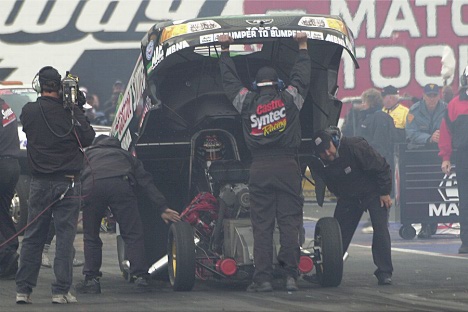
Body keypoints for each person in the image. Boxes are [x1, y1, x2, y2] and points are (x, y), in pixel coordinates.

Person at [219, 32, 310, 292]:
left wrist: (225, 52)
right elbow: (302, 78)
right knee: (290, 222)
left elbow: (229, 83)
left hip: (259, 168)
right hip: (287, 167)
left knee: (262, 226)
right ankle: (291, 276)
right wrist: (302, 46)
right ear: (278, 83)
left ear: (256, 86)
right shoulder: (290, 99)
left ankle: (263, 279)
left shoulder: (246, 102)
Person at [15, 66, 95, 304]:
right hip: (68, 183)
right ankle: (60, 291)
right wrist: (76, 107)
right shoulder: (69, 112)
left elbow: (33, 128)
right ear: (59, 87)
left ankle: (23, 290)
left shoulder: (28, 111)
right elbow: (88, 137)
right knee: (64, 237)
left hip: (39, 183)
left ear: (39, 85)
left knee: (32, 237)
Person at [75, 135, 180, 294]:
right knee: (133, 234)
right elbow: (146, 182)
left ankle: (91, 280)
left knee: (91, 235)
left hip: (93, 186)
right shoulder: (125, 155)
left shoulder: (87, 154)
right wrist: (162, 208)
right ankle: (141, 278)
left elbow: (75, 178)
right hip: (120, 186)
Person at [309, 127, 393, 286]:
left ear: (334, 142)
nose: (327, 154)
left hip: (373, 192)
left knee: (380, 229)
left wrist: (384, 192)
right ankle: (326, 271)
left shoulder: (355, 146)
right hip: (349, 197)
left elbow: (382, 167)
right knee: (336, 234)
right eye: (322, 152)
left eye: (328, 149)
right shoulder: (319, 163)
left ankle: (384, 272)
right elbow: (329, 182)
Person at [406, 83, 447, 238]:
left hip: (440, 155)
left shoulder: (447, 109)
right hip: (420, 156)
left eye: (434, 95)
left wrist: (441, 137)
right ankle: (425, 224)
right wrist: (429, 138)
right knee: (421, 191)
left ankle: (433, 222)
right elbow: (410, 133)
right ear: (423, 95)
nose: (432, 99)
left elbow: (454, 129)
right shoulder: (414, 111)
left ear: (439, 95)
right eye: (429, 95)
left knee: (437, 190)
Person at [355, 88, 396, 234]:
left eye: (364, 101)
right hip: (371, 163)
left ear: (370, 102)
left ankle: (380, 221)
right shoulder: (367, 118)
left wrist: (374, 163)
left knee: (381, 191)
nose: (362, 104)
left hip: (377, 163)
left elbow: (380, 144)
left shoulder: (379, 118)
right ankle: (375, 220)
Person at [439, 66, 468, 254]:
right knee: (465, 201)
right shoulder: (455, 105)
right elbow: (445, 133)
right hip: (463, 157)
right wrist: (446, 157)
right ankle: (466, 240)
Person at [0, 98, 21, 280]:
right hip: (12, 165)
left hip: (2, 164)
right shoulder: (5, 106)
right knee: (2, 213)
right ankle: (10, 250)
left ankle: (5, 256)